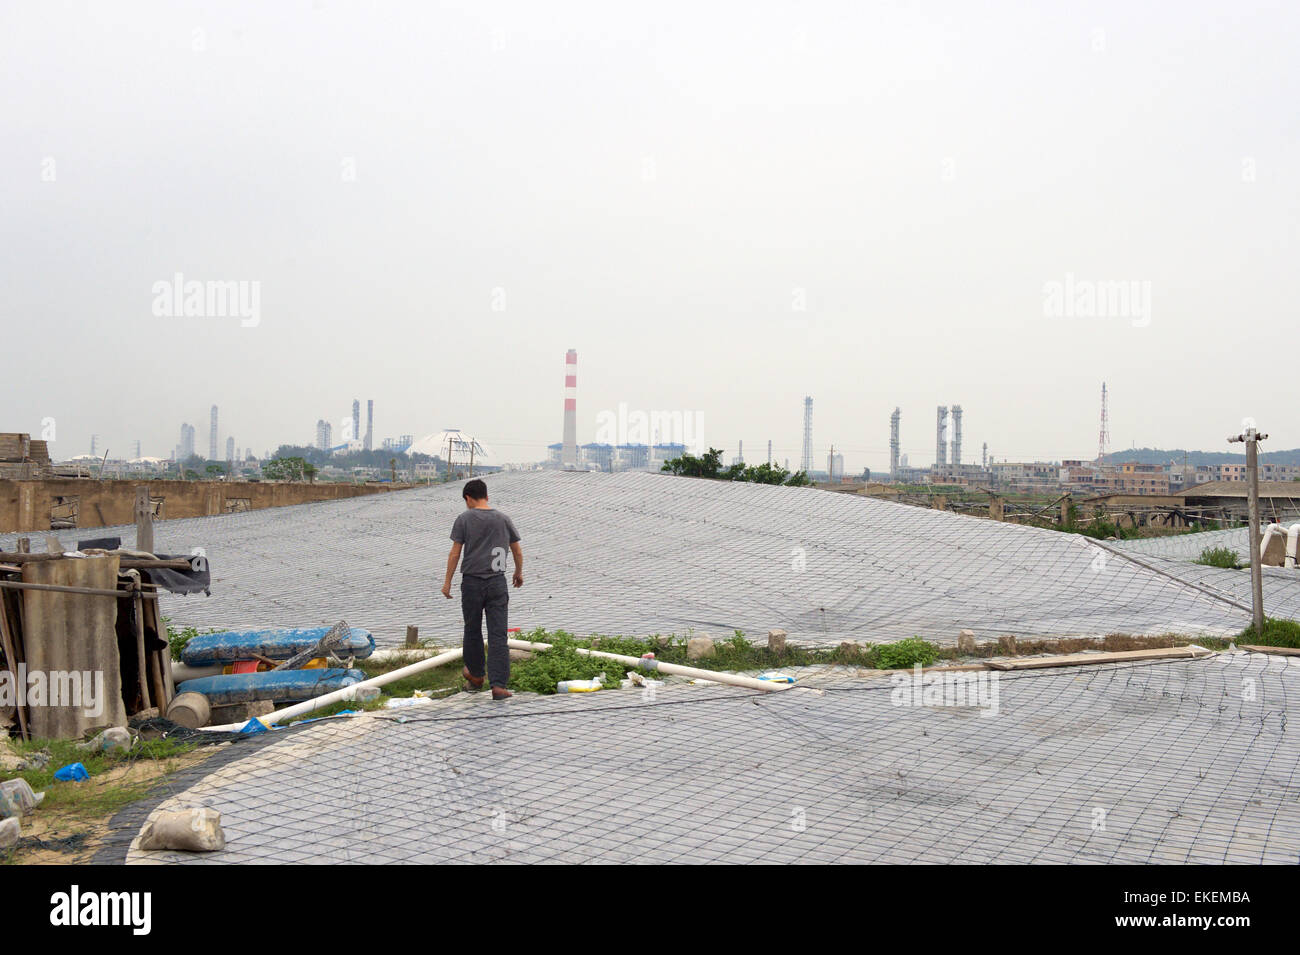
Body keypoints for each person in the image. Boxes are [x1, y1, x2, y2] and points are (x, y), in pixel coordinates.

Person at [441, 478, 523, 700]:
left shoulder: (464, 519)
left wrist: (447, 581)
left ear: (468, 498)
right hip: (497, 581)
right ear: (486, 496)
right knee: (498, 635)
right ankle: (498, 685)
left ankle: (476, 675)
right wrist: (518, 572)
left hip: (472, 583)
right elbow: (517, 550)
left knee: (472, 629)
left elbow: (455, 553)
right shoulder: (503, 519)